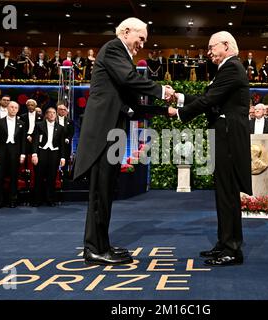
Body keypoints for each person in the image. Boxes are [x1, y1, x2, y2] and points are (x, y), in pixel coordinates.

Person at [73, 17, 175, 266]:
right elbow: (131, 81)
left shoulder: (120, 58)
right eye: (141, 38)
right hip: (102, 135)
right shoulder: (113, 49)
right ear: (126, 31)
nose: (142, 44)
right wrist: (162, 90)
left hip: (112, 136)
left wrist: (165, 111)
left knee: (106, 192)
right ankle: (94, 248)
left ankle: (102, 244)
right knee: (99, 193)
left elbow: (132, 105)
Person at [168, 31, 252, 267]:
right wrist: (180, 97)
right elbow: (207, 96)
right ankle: (224, 243)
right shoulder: (226, 69)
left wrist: (179, 112)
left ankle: (232, 249)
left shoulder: (232, 67)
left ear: (226, 45)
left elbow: (209, 101)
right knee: (223, 193)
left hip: (228, 137)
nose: (208, 52)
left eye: (211, 47)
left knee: (227, 194)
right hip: (222, 136)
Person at [0, 101, 26, 208]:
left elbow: (23, 140)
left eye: (16, 107)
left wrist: (23, 154)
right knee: (0, 177)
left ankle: (12, 200)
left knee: (14, 177)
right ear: (7, 108)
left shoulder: (22, 123)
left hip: (15, 152)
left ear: (18, 110)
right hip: (1, 152)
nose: (13, 109)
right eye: (11, 107)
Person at [31, 107, 66, 206]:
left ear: (56, 115)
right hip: (42, 152)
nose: (51, 114)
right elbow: (35, 141)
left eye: (53, 113)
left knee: (52, 177)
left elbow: (62, 144)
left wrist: (63, 157)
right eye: (49, 113)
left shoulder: (60, 128)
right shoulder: (39, 125)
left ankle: (50, 199)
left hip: (54, 153)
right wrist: (34, 154)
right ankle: (37, 200)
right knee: (39, 177)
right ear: (46, 114)